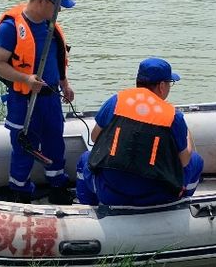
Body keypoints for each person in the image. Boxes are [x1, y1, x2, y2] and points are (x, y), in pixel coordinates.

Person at [0, 0, 76, 204]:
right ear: (41, 1)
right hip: (24, 99)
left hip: (50, 98)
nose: (58, 13)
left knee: (54, 142)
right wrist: (25, 79)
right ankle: (20, 191)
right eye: (57, 7)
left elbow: (55, 59)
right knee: (24, 146)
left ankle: (57, 185)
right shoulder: (10, 28)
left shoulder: (51, 27)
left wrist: (64, 84)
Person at [75, 58, 204, 207]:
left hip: (110, 193)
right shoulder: (173, 115)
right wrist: (186, 134)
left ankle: (87, 208)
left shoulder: (116, 101)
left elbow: (94, 137)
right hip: (157, 196)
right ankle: (179, 204)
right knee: (196, 161)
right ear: (162, 86)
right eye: (170, 83)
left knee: (85, 159)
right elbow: (184, 160)